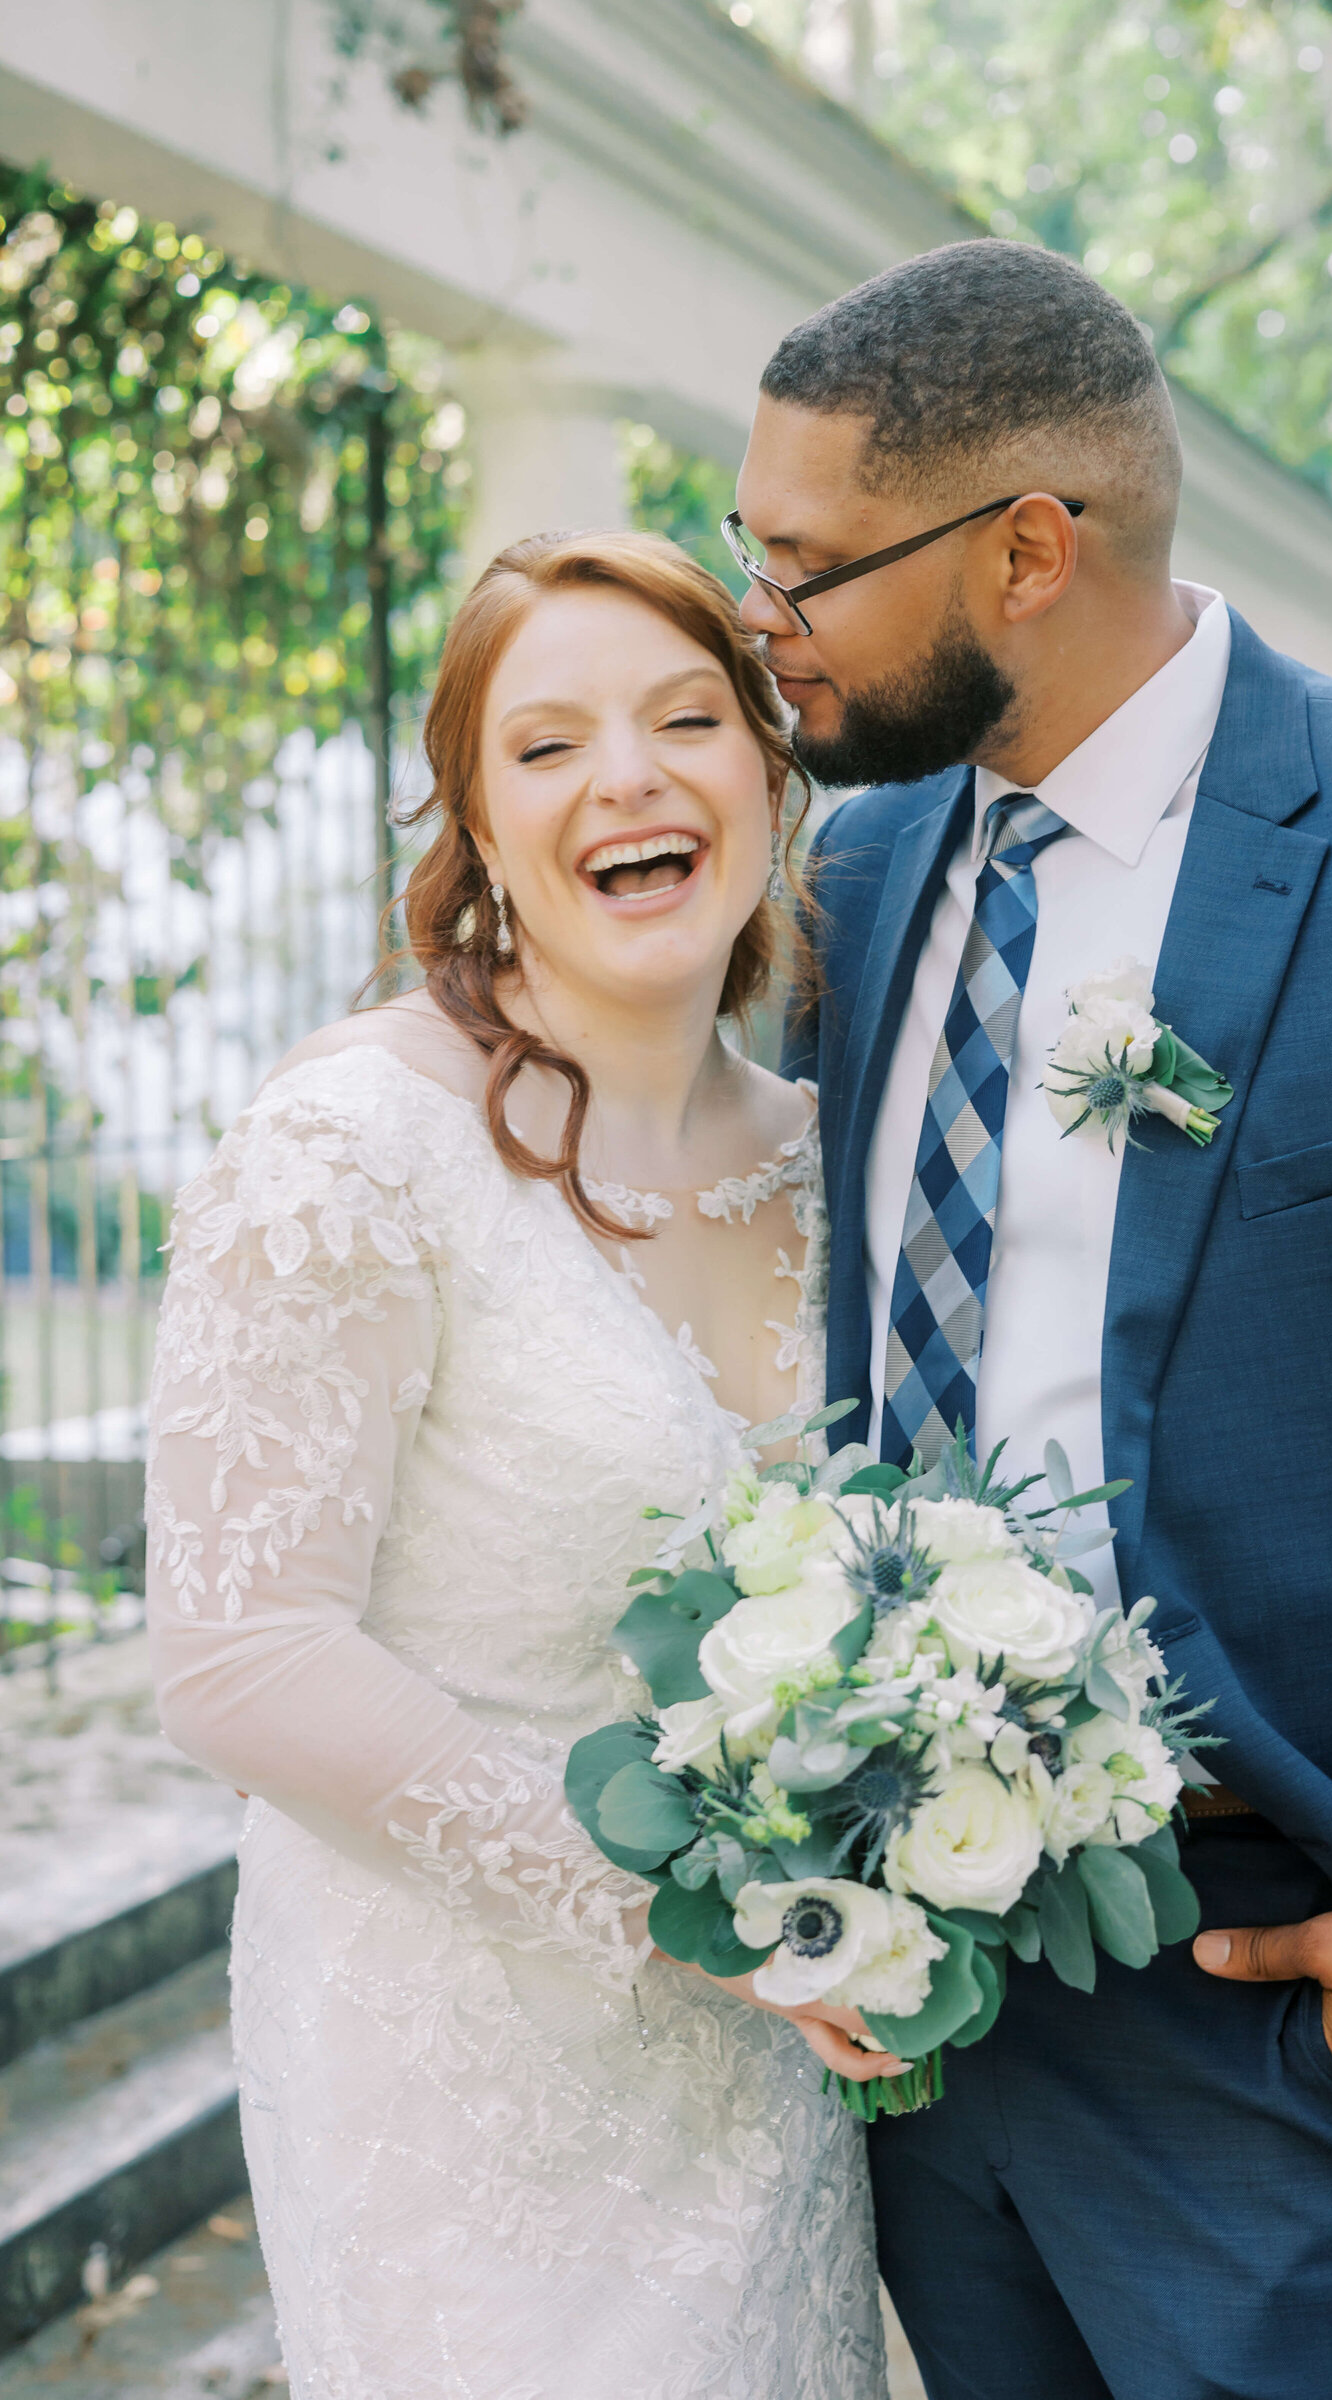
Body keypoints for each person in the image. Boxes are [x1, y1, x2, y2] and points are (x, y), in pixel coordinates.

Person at [733, 239, 1332, 2400]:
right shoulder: (844, 884)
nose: (761, 621)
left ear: (1027, 546)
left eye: (807, 566)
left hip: (1292, 2016)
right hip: (926, 2025)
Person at [144, 532, 897, 2400]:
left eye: (684, 720)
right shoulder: (352, 1147)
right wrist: (702, 1918)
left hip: (778, 2073)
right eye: (547, 747)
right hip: (459, 2080)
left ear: (764, 775)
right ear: (477, 831)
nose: (626, 778)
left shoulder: (841, 1154)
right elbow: (241, 1660)